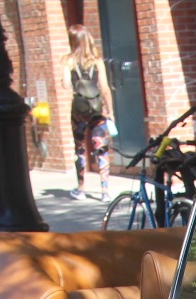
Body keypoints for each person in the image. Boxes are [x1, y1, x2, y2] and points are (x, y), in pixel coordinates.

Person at [67, 26, 111, 201]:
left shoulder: (68, 61)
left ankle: (81, 187)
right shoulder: (97, 61)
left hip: (79, 110)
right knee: (101, 148)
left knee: (80, 148)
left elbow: (64, 84)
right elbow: (105, 88)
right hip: (96, 109)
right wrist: (110, 110)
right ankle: (105, 190)